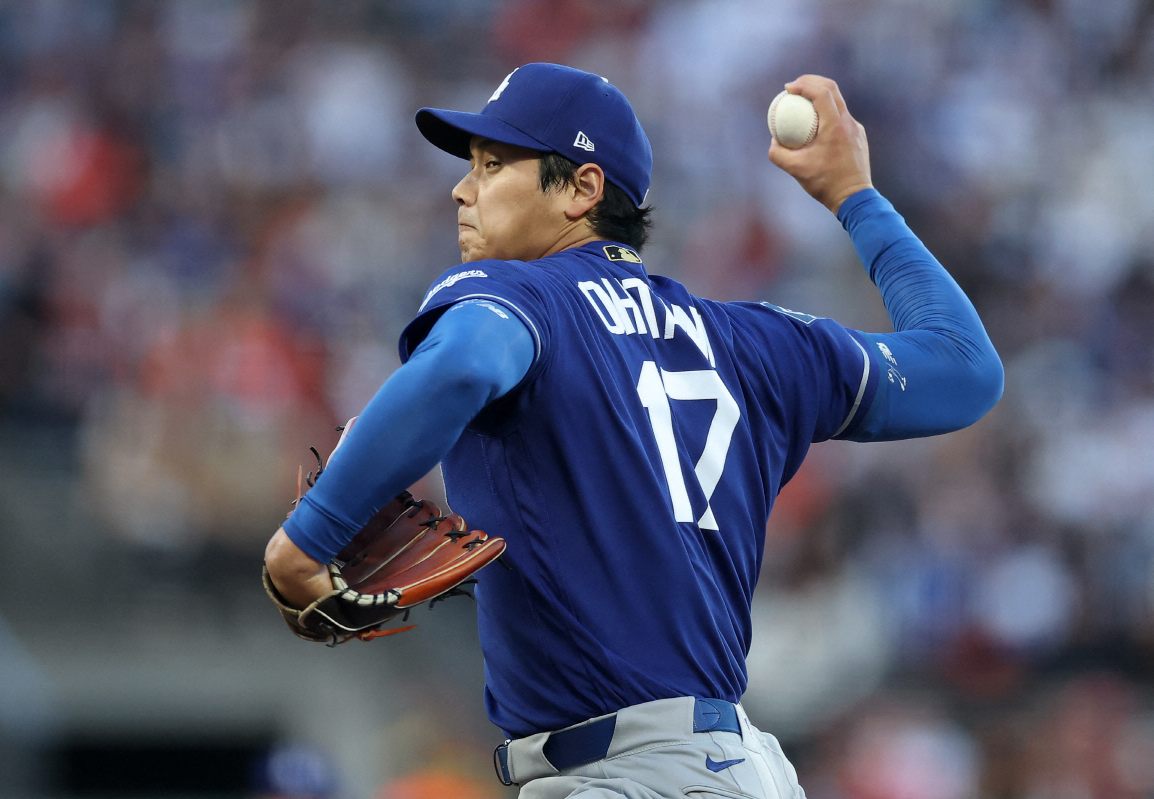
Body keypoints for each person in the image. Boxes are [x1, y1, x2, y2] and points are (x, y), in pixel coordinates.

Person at [264, 63, 1004, 798]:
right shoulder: (757, 343)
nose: (463, 188)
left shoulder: (522, 294)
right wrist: (857, 198)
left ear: (583, 189)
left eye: (494, 165)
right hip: (734, 769)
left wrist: (310, 536)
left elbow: (462, 364)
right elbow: (964, 368)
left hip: (628, 777)